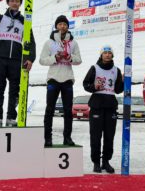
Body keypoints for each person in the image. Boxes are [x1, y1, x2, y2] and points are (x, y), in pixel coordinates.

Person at [0, 0, 36, 127]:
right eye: (12, 1)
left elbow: (31, 42)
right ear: (8, 3)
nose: (15, 3)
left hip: (16, 60)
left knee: (14, 90)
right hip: (1, 59)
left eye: (17, 1)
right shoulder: (1, 19)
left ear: (20, 4)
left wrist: (30, 59)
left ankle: (11, 118)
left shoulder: (25, 22)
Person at [39, 15, 82, 147]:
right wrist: (55, 57)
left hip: (67, 79)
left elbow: (79, 60)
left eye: (65, 24)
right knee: (50, 110)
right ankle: (47, 138)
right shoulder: (49, 42)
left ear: (68, 27)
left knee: (68, 110)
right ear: (56, 26)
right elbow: (42, 60)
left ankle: (67, 137)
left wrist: (69, 57)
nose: (62, 26)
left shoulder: (73, 43)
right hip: (53, 79)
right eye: (60, 24)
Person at [83, 45, 124, 174]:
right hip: (97, 105)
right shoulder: (94, 68)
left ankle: (106, 161)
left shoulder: (116, 70)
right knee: (95, 136)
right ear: (101, 55)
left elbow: (117, 90)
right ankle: (96, 162)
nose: (107, 55)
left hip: (110, 105)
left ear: (112, 55)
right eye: (105, 53)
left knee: (109, 136)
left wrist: (123, 81)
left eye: (109, 53)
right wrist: (94, 87)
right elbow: (85, 84)